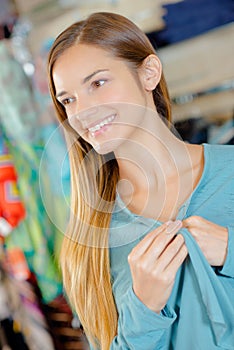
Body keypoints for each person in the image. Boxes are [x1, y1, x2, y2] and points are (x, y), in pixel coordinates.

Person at [47, 12, 234, 350]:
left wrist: (230, 249)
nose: (82, 112)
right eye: (68, 99)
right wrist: (145, 307)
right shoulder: (88, 243)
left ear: (149, 72)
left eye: (98, 83)